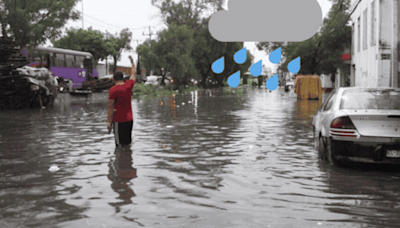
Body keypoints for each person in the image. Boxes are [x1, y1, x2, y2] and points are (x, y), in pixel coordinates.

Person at [107, 67, 136, 147]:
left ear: (114, 79)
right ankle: (128, 158)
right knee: (127, 143)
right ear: (122, 78)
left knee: (119, 146)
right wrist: (133, 63)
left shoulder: (113, 90)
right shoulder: (129, 85)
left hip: (118, 121)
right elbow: (133, 74)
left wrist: (109, 122)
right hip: (129, 120)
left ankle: (121, 159)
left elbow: (110, 107)